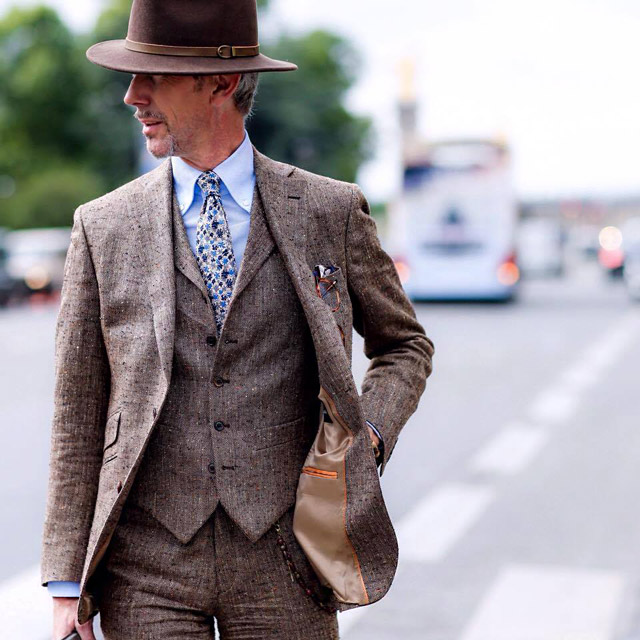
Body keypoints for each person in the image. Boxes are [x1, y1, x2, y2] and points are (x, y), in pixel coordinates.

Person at [41, 1, 434, 638]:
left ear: (221, 83)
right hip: (147, 564)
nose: (132, 97)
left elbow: (405, 345)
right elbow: (78, 407)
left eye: (154, 78)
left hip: (287, 555)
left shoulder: (328, 212)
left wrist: (369, 437)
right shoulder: (102, 226)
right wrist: (65, 579)